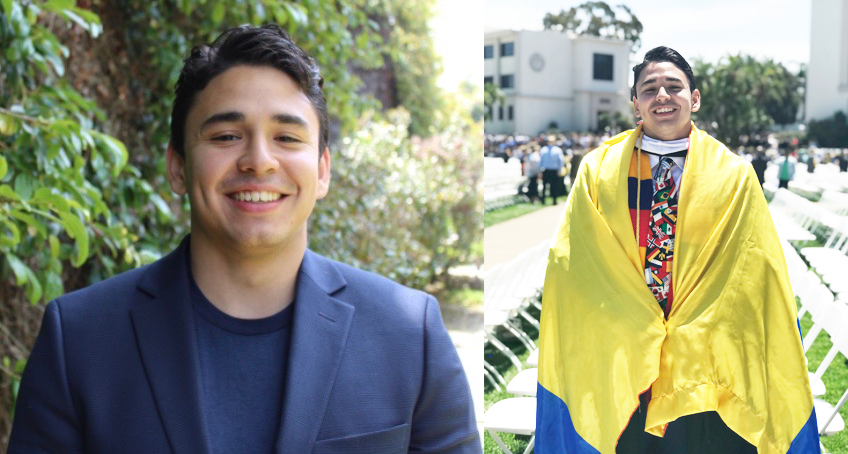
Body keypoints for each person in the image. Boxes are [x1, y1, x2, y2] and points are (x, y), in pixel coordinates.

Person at [9, 24, 480, 453]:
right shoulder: (80, 339)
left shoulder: (408, 334)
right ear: (177, 166)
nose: (259, 160)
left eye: (287, 138)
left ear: (322, 170)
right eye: (227, 136)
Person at [535, 46, 819, 453]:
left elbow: (755, 266)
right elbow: (573, 260)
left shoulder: (733, 175)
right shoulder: (598, 173)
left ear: (695, 98)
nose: (662, 96)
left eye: (674, 86)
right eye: (649, 88)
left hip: (702, 347)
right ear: (636, 104)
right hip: (624, 339)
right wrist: (633, 318)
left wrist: (692, 326)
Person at [539, 135, 565, 205]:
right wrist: (559, 170)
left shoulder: (544, 149)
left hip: (547, 170)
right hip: (553, 170)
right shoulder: (557, 150)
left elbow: (540, 161)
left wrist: (540, 170)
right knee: (553, 186)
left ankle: (544, 200)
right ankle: (554, 200)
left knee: (545, 186)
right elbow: (561, 161)